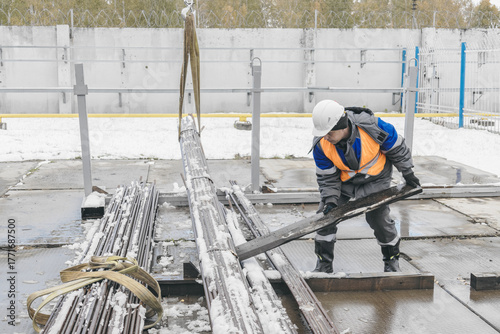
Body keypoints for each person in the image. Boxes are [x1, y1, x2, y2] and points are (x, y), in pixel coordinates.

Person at [310, 100, 420, 273]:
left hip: (375, 178)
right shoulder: (321, 145)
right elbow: (327, 177)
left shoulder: (372, 127)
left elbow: (397, 148)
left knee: (378, 218)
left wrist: (407, 172)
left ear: (341, 126)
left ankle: (391, 261)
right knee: (325, 217)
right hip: (344, 182)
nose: (325, 137)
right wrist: (330, 200)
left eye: (328, 132)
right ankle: (323, 265)